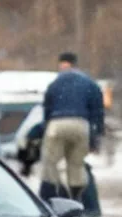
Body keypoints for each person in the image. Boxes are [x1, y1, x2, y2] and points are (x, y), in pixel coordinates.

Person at [42, 52, 104, 201]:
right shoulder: (89, 83)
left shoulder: (55, 83)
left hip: (57, 124)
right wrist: (95, 138)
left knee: (50, 163)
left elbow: (47, 109)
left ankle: (55, 196)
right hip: (81, 124)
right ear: (75, 64)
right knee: (76, 164)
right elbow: (97, 112)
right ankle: (76, 198)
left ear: (61, 64)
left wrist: (45, 129)